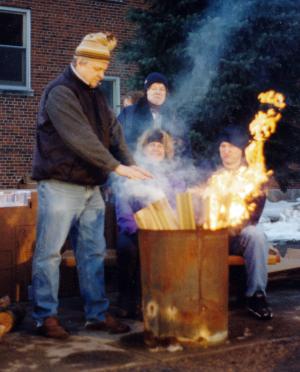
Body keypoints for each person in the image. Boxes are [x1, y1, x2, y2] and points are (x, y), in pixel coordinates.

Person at [31, 32, 152, 339]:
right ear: (81, 62)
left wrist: (132, 162)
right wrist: (118, 167)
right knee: (50, 253)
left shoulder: (96, 93)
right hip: (60, 185)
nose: (103, 74)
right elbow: (80, 139)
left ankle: (96, 314)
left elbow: (114, 131)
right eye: (98, 69)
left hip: (91, 187)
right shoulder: (59, 93)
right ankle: (44, 316)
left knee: (93, 253)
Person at [114, 129, 185, 319]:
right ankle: (126, 297)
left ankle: (149, 298)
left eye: (160, 145)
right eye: (152, 145)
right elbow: (123, 204)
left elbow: (179, 204)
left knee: (162, 248)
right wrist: (135, 227)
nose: (156, 149)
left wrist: (171, 224)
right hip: (135, 228)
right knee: (128, 248)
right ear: (144, 148)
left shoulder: (174, 175)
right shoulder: (133, 171)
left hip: (164, 230)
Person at [214, 126, 273, 320]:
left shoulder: (253, 178)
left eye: (231, 146)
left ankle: (256, 296)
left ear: (241, 150)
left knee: (255, 234)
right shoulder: (212, 177)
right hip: (212, 237)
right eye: (223, 146)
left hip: (239, 236)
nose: (226, 150)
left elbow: (253, 215)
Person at [118, 72, 175, 152]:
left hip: (168, 163)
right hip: (134, 161)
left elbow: (184, 147)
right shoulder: (129, 113)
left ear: (166, 93)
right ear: (147, 91)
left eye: (162, 89)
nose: (158, 92)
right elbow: (118, 141)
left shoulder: (174, 117)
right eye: (154, 88)